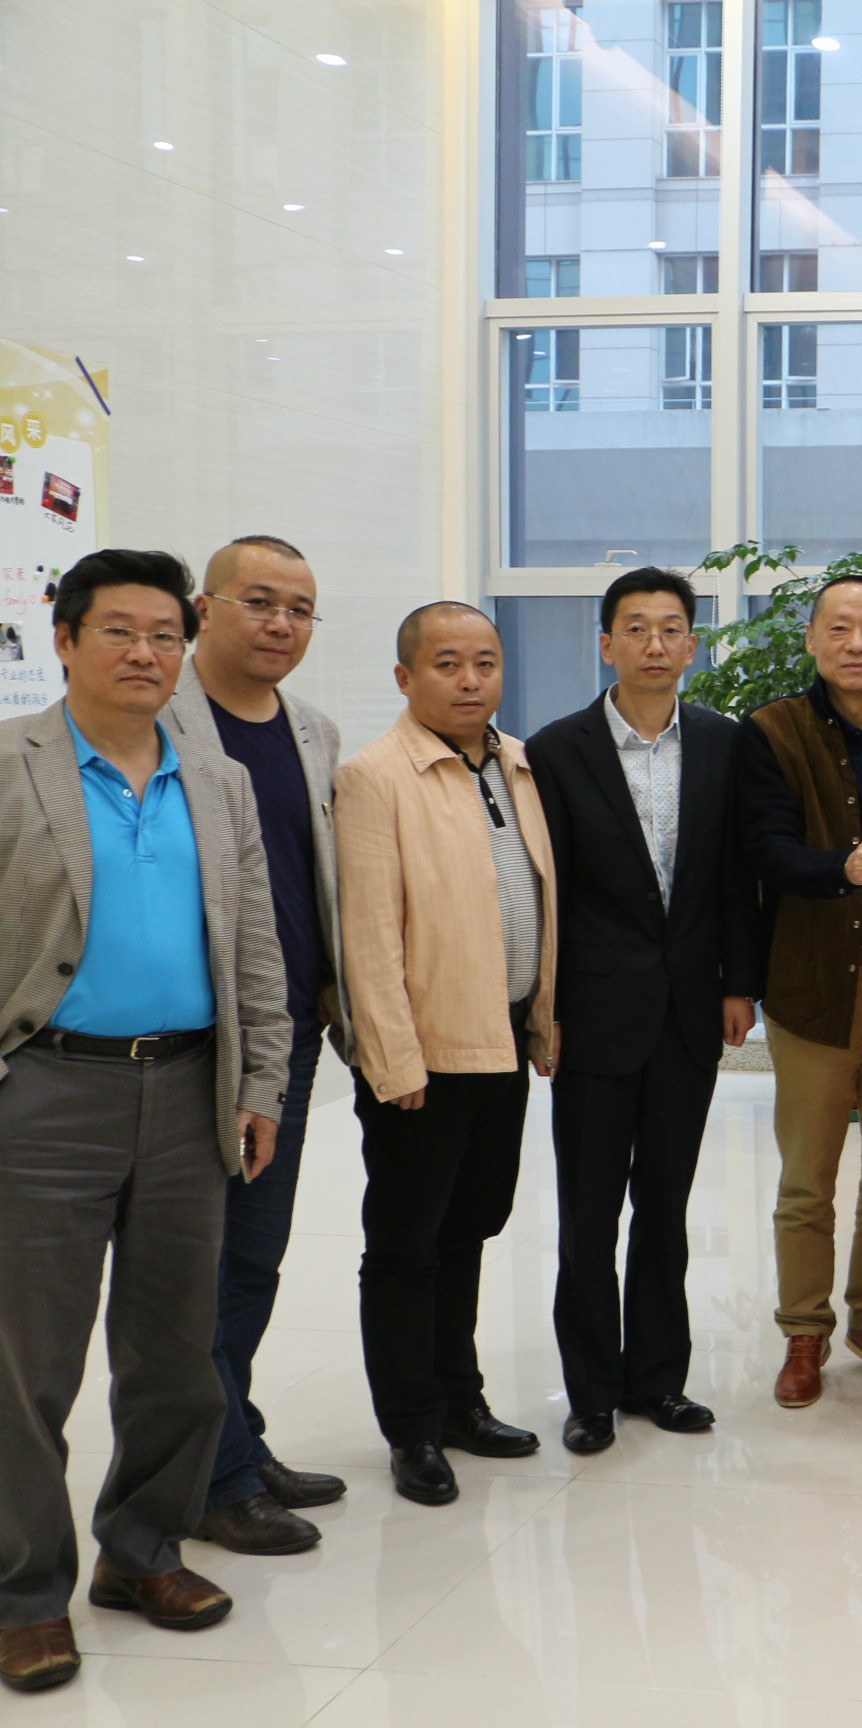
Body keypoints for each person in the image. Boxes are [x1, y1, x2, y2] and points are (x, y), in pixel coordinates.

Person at [0, 551, 290, 1694]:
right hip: (46, 1094)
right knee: (29, 1362)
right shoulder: (12, 764)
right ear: (65, 640)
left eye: (165, 635)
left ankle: (143, 1551)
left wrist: (261, 1083)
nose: (145, 654)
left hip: (187, 1089)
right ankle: (26, 1594)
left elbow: (255, 945)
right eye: (118, 631)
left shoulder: (216, 781)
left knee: (175, 1351)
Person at [527, 568, 764, 1454]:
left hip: (689, 1010)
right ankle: (590, 1392)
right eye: (636, 628)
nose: (654, 644)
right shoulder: (557, 751)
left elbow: (736, 875)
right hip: (592, 1013)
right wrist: (545, 1009)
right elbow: (546, 894)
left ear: (692, 646)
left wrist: (738, 985)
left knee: (666, 1206)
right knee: (589, 1213)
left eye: (671, 629)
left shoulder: (725, 743)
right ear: (606, 645)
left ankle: (658, 1379)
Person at [337, 602, 557, 1507]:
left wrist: (541, 1023)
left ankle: (460, 1401)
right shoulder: (374, 776)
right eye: (447, 664)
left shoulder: (516, 763)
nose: (470, 680)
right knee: (405, 1247)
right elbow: (368, 936)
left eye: (485, 663)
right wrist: (394, 1063)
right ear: (405, 677)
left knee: (468, 1230)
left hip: (499, 1037)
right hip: (423, 1058)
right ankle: (412, 1428)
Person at [155, 534, 350, 1558]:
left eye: (300, 609)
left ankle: (236, 1438)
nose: (282, 624)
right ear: (205, 608)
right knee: (200, 1263)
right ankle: (216, 1475)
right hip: (193, 1036)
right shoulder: (159, 720)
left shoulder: (313, 730)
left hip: (286, 1036)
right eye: (260, 602)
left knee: (255, 1260)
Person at [736, 572, 862, 1408]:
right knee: (807, 1179)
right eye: (840, 629)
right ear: (813, 640)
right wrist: (838, 866)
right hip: (815, 985)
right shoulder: (772, 731)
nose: (858, 645)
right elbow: (762, 848)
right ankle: (803, 1330)